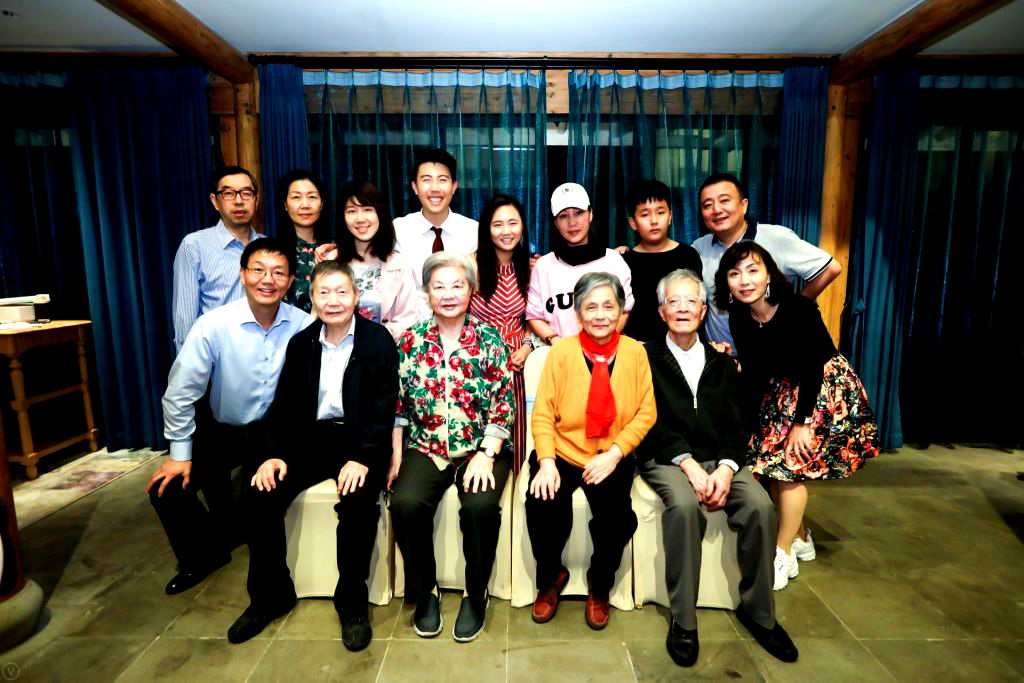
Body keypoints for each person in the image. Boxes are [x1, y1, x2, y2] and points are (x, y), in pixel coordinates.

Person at [227, 261, 399, 651]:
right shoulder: (302, 343)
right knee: (258, 494)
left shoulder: (377, 342)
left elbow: (383, 409)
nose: (333, 301)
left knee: (357, 503)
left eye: (341, 292)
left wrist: (363, 457)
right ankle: (271, 596)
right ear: (312, 298)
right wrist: (272, 455)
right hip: (311, 440)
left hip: (360, 442)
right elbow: (281, 408)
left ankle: (352, 605)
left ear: (356, 296)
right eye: (324, 292)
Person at [636, 268, 797, 667]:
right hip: (667, 458)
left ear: (704, 310)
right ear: (661, 311)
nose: (683, 308)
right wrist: (688, 464)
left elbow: (736, 425)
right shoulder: (644, 358)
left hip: (720, 457)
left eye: (691, 300)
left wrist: (726, 468)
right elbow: (647, 420)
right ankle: (683, 621)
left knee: (761, 507)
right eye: (673, 301)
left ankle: (759, 613)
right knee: (684, 507)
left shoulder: (723, 363)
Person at [149, 237, 308, 596]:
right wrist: (179, 455)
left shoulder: (303, 325)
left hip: (275, 436)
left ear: (289, 281)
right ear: (242, 274)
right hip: (225, 429)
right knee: (167, 489)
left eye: (278, 273)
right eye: (258, 270)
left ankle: (259, 565)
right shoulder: (213, 325)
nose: (267, 280)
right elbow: (179, 393)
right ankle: (204, 555)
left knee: (260, 497)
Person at [716, 242, 878, 590]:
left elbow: (811, 367)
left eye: (753, 270)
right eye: (734, 273)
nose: (744, 280)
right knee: (766, 467)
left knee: (789, 468)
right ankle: (801, 536)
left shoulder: (798, 308)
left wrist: (801, 424)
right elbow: (756, 371)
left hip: (820, 390)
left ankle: (783, 552)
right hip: (780, 390)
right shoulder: (740, 316)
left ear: (769, 274)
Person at [389, 252, 514, 643]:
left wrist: (487, 454)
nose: (448, 294)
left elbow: (503, 404)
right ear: (426, 292)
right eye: (438, 286)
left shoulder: (490, 339)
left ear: (471, 291)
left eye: (457, 285)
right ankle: (426, 590)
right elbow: (398, 406)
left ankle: (475, 594)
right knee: (405, 502)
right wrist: (396, 456)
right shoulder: (410, 341)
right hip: (426, 446)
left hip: (482, 445)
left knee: (479, 507)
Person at [526, 272, 655, 630]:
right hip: (563, 451)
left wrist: (615, 454)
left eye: (608, 306)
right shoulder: (561, 352)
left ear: (621, 311)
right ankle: (551, 577)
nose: (600, 315)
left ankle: (600, 583)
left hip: (611, 453)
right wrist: (546, 462)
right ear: (579, 313)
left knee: (616, 515)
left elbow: (646, 412)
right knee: (542, 502)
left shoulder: (635, 353)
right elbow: (543, 412)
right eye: (591, 307)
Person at [692, 172, 841, 350]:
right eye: (707, 205)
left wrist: (793, 310)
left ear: (743, 205)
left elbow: (830, 268)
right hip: (724, 355)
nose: (716, 209)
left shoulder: (775, 237)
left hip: (775, 354)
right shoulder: (699, 248)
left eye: (724, 200)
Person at [469, 194, 533, 474]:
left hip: (519, 358)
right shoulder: (471, 265)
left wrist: (528, 346)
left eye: (512, 223)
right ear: (487, 229)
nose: (506, 231)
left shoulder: (531, 266)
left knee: (520, 424)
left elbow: (535, 317)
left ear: (522, 226)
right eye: (498, 224)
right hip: (479, 358)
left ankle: (518, 478)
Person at [526, 183, 634, 345]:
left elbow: (624, 310)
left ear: (590, 214)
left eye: (578, 213)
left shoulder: (614, 261)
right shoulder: (543, 266)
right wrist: (559, 343)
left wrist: (599, 343)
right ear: (555, 223)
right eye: (563, 216)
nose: (572, 222)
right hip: (559, 352)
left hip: (605, 351)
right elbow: (534, 316)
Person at [172, 165, 263, 353]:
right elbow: (184, 321)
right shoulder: (194, 246)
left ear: (256, 200)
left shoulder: (269, 247)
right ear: (215, 201)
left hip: (265, 356)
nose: (239, 201)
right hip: (216, 357)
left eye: (246, 193)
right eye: (229, 194)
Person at [316, 181, 421, 339]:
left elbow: (407, 319)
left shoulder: (399, 263)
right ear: (343, 217)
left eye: (367, 210)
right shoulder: (330, 260)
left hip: (384, 347)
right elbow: (320, 313)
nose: (360, 219)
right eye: (352, 211)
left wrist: (372, 343)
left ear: (379, 213)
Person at [621, 179, 703, 343]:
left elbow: (697, 304)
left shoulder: (688, 255)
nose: (654, 220)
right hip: (638, 348)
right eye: (645, 214)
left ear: (670, 217)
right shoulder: (624, 262)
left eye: (660, 212)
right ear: (633, 223)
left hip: (681, 346)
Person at [393, 148, 478, 288]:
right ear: (415, 187)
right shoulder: (397, 231)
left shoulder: (474, 232)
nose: (434, 188)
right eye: (426, 180)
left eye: (442, 180)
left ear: (454, 187)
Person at [277, 169, 330, 313]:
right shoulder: (273, 251)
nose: (305, 205)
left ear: (322, 203)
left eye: (312, 197)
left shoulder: (333, 250)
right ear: (285, 204)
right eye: (296, 197)